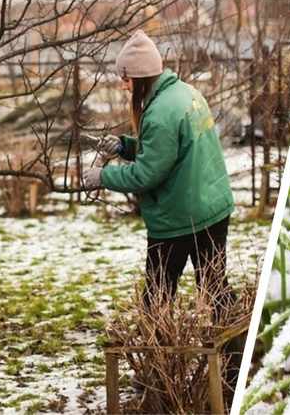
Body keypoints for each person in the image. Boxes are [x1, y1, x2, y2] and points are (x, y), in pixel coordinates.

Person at [82, 30, 235, 319]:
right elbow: (171, 149)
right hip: (211, 207)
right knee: (215, 288)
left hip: (179, 217)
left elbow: (146, 175)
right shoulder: (186, 93)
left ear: (139, 78)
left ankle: (156, 358)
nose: (124, 87)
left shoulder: (160, 112)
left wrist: (103, 177)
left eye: (125, 79)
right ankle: (232, 357)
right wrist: (126, 146)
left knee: (157, 296)